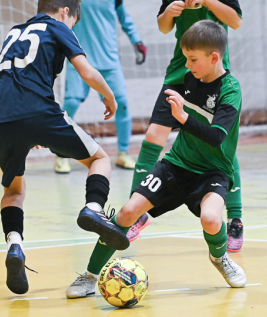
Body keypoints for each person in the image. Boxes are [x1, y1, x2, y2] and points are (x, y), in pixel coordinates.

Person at [65, 20, 246, 298]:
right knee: (127, 213)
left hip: (213, 172)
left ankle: (220, 257)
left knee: (211, 219)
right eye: (185, 59)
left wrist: (182, 117)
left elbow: (217, 137)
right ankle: (89, 276)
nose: (187, 65)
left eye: (192, 59)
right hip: (176, 165)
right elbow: (162, 121)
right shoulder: (187, 79)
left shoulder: (230, 89)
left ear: (214, 58)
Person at [0, 0, 130, 295]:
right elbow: (87, 71)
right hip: (38, 110)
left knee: (13, 191)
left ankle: (15, 246)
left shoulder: (13, 32)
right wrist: (109, 97)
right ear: (65, 12)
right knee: (100, 159)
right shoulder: (57, 26)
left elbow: (13, 79)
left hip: (1, 117)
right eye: (73, 22)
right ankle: (93, 207)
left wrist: (29, 128)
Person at [126, 0, 245, 253]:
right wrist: (169, 12)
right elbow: (164, 27)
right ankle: (137, 210)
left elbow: (235, 20)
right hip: (180, 73)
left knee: (220, 145)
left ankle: (234, 217)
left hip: (211, 79)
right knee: (154, 135)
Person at [54, 0, 147, 174]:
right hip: (80, 60)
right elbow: (61, 21)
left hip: (109, 61)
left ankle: (123, 153)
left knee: (122, 103)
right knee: (70, 104)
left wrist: (136, 41)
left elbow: (124, 17)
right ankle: (61, 155)